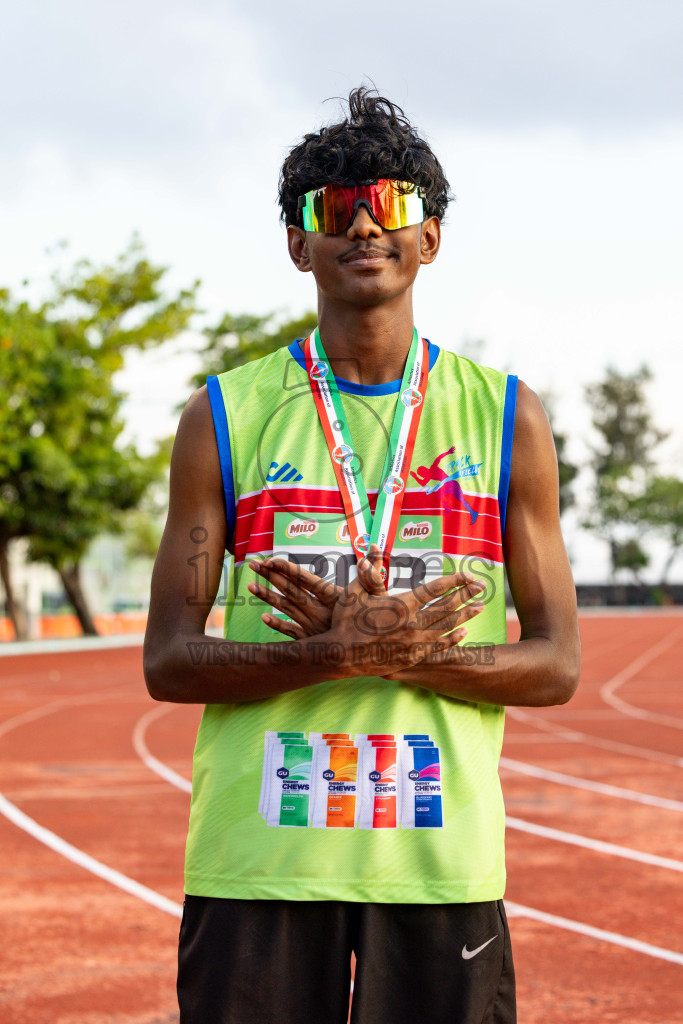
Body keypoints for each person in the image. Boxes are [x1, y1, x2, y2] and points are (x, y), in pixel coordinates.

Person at [143, 86, 581, 1024]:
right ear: (299, 245)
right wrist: (324, 657)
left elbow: (556, 665)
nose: (362, 229)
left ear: (430, 238)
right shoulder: (221, 416)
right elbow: (168, 660)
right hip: (259, 866)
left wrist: (417, 657)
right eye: (331, 212)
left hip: (436, 870)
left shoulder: (507, 417)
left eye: (390, 206)